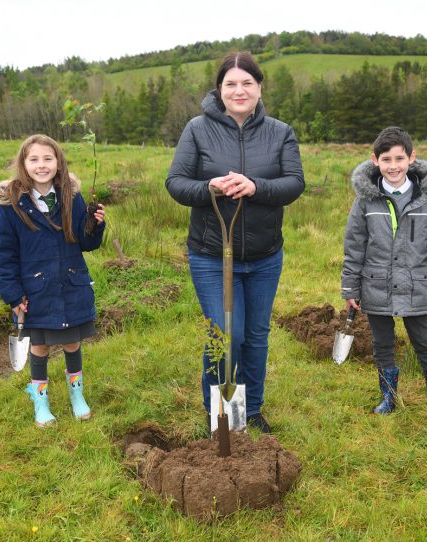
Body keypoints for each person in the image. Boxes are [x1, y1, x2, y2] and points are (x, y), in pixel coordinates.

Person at [166, 52, 305, 433]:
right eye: (231, 83)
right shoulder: (197, 129)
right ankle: (220, 414)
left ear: (260, 88)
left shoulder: (280, 132)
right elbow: (176, 183)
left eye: (247, 83)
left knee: (256, 336)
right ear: (220, 89)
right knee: (226, 335)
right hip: (212, 255)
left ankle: (252, 411)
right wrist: (208, 187)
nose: (239, 90)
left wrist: (255, 187)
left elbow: (294, 183)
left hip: (264, 256)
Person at [341, 126, 427, 414]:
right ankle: (389, 397)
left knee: (424, 341)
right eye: (386, 160)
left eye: (399, 159)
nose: (393, 166)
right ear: (375, 160)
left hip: (416, 284)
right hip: (376, 284)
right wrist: (350, 288)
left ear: (411, 158)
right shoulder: (365, 200)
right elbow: (354, 246)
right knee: (382, 343)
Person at [0, 134, 106, 427]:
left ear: (58, 162)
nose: (42, 165)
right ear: (23, 164)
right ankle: (40, 403)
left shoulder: (72, 197)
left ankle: (76, 397)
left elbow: (86, 243)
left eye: (48, 159)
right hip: (36, 291)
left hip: (71, 285)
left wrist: (94, 225)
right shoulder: (10, 207)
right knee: (39, 348)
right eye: (34, 159)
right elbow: (4, 257)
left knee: (72, 344)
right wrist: (13, 295)